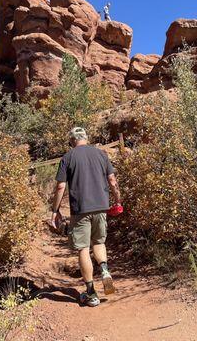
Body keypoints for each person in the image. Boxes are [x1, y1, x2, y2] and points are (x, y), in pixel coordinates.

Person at [51, 127, 121, 307]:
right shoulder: (101, 154)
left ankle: (91, 294)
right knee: (98, 242)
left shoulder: (67, 158)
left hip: (80, 209)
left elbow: (60, 187)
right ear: (86, 138)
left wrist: (55, 210)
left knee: (83, 248)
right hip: (101, 207)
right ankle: (104, 269)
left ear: (72, 141)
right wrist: (118, 200)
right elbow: (112, 181)